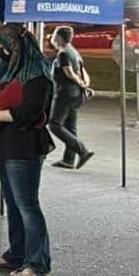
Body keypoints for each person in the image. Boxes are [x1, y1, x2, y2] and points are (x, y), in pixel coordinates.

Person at [0, 23, 55, 276]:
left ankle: (36, 262)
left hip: (24, 147)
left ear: (18, 47)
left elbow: (29, 113)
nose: (1, 52)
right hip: (4, 147)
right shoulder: (11, 70)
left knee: (27, 205)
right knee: (13, 203)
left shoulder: (38, 74)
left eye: (6, 47)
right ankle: (16, 254)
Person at [48, 26, 95, 170]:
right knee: (70, 126)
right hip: (75, 95)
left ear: (60, 38)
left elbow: (70, 73)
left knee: (54, 124)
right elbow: (83, 72)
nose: (52, 38)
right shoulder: (74, 52)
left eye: (54, 35)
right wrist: (85, 85)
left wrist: (82, 85)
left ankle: (83, 150)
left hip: (65, 94)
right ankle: (68, 160)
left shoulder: (63, 54)